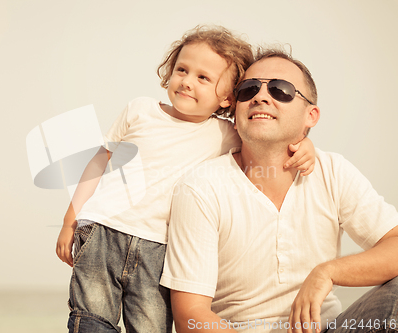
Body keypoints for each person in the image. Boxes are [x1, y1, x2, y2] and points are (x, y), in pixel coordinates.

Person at [56, 27, 316, 333]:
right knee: (91, 320)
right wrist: (70, 220)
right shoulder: (140, 110)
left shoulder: (224, 133)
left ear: (226, 98)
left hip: (160, 249)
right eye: (182, 70)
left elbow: (267, 140)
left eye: (203, 78)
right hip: (103, 231)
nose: (187, 81)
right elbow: (98, 163)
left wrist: (304, 143)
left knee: (152, 326)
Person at [160, 48, 398, 333]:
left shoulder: (332, 170)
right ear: (234, 109)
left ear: (311, 115)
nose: (260, 97)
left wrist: (328, 272)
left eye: (280, 89)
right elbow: (191, 315)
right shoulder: (201, 187)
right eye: (248, 90)